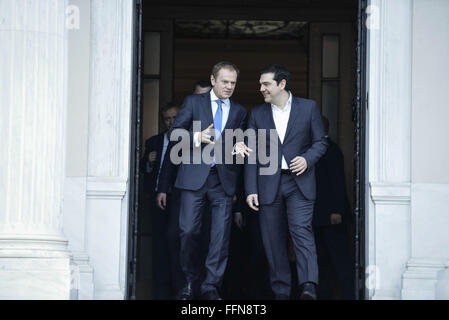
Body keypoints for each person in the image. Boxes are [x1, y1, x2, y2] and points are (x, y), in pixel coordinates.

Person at [157, 61, 248, 300]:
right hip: (193, 179)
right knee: (187, 232)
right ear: (213, 80)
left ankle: (210, 286)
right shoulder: (193, 102)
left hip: (223, 180)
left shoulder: (239, 111)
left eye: (233, 83)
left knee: (220, 238)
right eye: (225, 82)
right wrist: (197, 136)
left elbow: (236, 144)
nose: (229, 87)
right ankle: (189, 280)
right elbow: (175, 134)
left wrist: (238, 146)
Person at [245, 65, 328, 300]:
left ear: (282, 84)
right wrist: (251, 189)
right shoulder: (258, 113)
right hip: (268, 185)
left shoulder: (308, 107)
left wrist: (307, 159)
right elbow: (252, 153)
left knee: (301, 232)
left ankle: (308, 286)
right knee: (272, 241)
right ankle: (281, 292)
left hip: (299, 182)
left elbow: (320, 143)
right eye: (261, 84)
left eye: (266, 84)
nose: (261, 89)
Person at [140, 102, 181, 299]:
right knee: (159, 247)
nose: (171, 122)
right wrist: (148, 162)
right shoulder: (153, 142)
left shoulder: (187, 141)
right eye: (167, 119)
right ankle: (160, 293)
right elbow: (141, 170)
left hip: (179, 200)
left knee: (178, 244)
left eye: (175, 118)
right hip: (157, 200)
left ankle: (179, 291)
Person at [312, 116, 355, 300]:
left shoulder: (332, 150)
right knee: (324, 263)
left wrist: (337, 211)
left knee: (340, 263)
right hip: (320, 218)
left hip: (332, 218)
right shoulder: (316, 150)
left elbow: (338, 182)